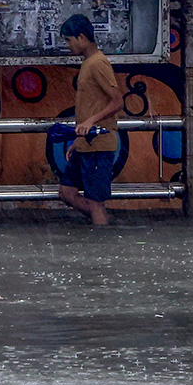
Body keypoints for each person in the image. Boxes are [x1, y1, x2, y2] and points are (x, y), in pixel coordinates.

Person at [57, 14, 124, 226]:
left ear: (82, 37)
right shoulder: (88, 63)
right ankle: (102, 224)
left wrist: (90, 122)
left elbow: (117, 102)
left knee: (95, 202)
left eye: (69, 40)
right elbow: (91, 104)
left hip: (99, 145)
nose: (67, 45)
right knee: (67, 192)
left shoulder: (98, 64)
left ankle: (102, 243)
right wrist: (78, 141)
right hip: (86, 143)